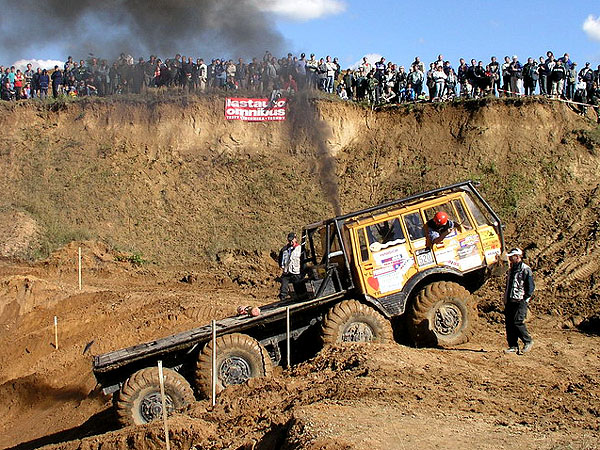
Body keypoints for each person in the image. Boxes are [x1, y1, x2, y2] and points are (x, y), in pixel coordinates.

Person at [503, 248, 534, 354]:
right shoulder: (511, 270)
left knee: (518, 322)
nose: (510, 258)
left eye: (512, 256)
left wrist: (525, 298)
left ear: (517, 256)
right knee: (509, 324)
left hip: (520, 300)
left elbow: (530, 286)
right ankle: (513, 346)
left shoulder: (525, 269)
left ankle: (527, 341)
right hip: (510, 299)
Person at [278, 232, 302, 301]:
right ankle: (282, 299)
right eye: (289, 240)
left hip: (296, 271)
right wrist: (282, 266)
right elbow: (280, 259)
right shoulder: (284, 249)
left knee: (298, 287)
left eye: (292, 240)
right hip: (287, 271)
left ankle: (298, 298)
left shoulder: (299, 249)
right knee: (283, 287)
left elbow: (303, 260)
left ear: (295, 239)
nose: (291, 241)